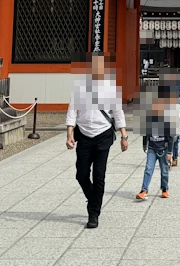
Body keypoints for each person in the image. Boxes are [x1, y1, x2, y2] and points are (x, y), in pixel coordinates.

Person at [66, 54, 128, 229]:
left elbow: (118, 112)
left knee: (99, 175)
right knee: (81, 174)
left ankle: (93, 213)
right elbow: (72, 111)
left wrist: (124, 136)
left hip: (103, 135)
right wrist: (69, 134)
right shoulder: (79, 88)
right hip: (84, 135)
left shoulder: (111, 88)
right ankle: (93, 198)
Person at [136, 87, 175, 200]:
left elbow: (171, 136)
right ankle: (144, 190)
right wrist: (144, 144)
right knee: (148, 168)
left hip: (163, 148)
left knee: (164, 170)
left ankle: (165, 188)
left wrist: (170, 152)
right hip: (152, 147)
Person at [168, 95, 180, 166]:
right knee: (168, 144)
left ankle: (175, 158)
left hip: (177, 129)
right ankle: (168, 159)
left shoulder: (179, 107)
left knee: (175, 145)